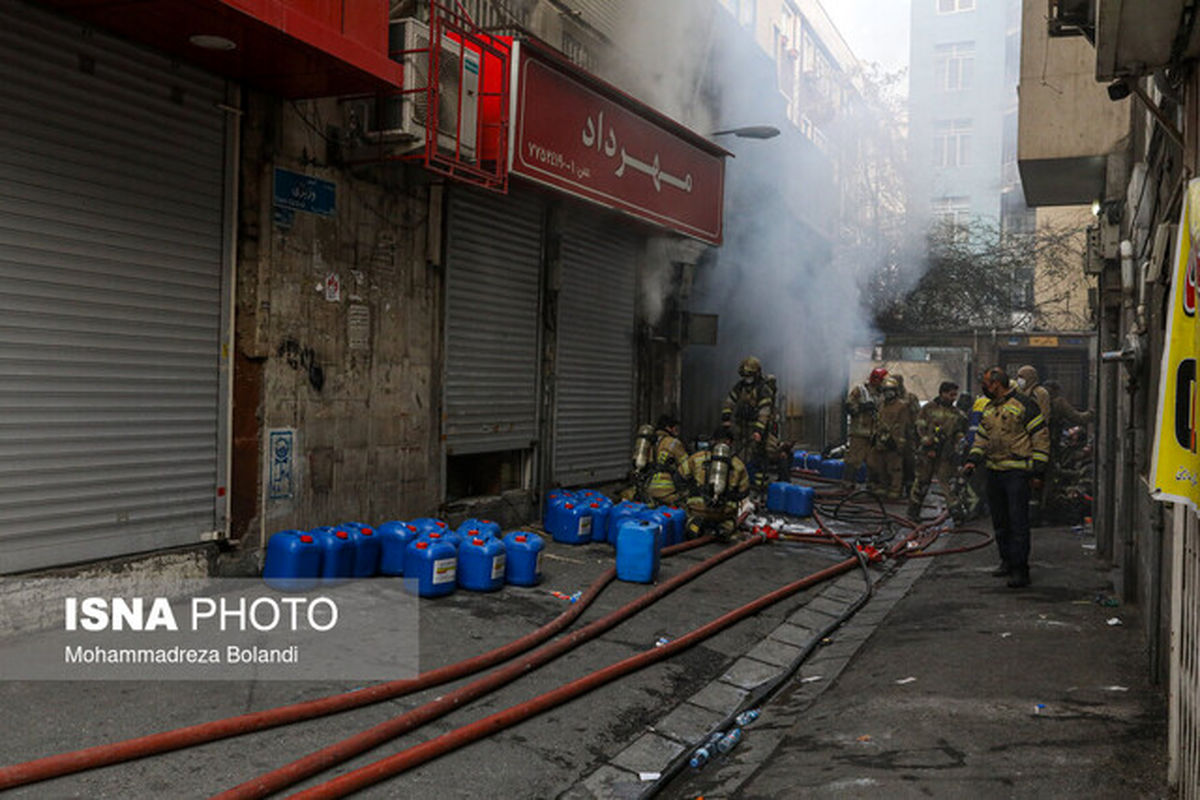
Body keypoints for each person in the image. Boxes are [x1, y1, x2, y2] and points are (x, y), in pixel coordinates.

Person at [962, 366, 1050, 588]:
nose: (984, 387)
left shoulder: (1024, 405)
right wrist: (973, 459)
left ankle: (1021, 570)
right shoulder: (990, 408)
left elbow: (1040, 437)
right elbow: (982, 437)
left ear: (997, 384)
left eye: (986, 383)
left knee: (1018, 521)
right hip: (994, 471)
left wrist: (1039, 471)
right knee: (1000, 521)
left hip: (1017, 473)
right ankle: (1007, 562)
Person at [907, 381, 967, 520]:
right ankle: (913, 512)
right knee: (922, 482)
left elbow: (959, 432)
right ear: (942, 393)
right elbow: (919, 427)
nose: (953, 398)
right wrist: (926, 442)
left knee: (947, 485)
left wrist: (959, 440)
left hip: (946, 455)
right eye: (951, 394)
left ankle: (957, 514)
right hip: (926, 454)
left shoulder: (958, 415)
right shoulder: (928, 409)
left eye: (955, 395)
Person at [680, 427, 750, 540]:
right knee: (730, 522)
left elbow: (679, 477)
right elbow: (744, 493)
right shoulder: (738, 465)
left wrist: (689, 493)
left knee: (690, 518)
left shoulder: (697, 458)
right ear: (729, 442)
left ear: (713, 440)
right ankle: (724, 529)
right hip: (723, 514)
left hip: (698, 510)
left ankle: (693, 525)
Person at [720, 356, 777, 492]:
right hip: (741, 425)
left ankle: (758, 487)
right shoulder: (740, 386)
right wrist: (726, 418)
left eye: (749, 375)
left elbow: (765, 411)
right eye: (744, 375)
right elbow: (730, 401)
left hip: (756, 427)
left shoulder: (763, 389)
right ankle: (740, 484)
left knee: (757, 456)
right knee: (740, 455)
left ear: (756, 373)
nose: (747, 378)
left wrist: (758, 431)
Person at [869, 376, 913, 499]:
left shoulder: (902, 406)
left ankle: (895, 489)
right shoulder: (881, 405)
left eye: (891, 390)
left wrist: (896, 441)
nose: (888, 393)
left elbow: (903, 425)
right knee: (880, 465)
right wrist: (875, 436)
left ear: (896, 391)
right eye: (886, 390)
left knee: (894, 468)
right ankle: (883, 487)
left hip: (894, 442)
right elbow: (877, 421)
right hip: (881, 441)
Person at [845, 367, 886, 488]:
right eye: (882, 380)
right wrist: (862, 407)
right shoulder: (860, 390)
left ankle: (872, 485)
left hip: (874, 434)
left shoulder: (883, 394)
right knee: (854, 460)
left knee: (873, 462)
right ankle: (848, 483)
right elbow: (848, 406)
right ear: (876, 380)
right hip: (859, 433)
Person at [645, 413, 689, 506]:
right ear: (668, 428)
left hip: (649, 487)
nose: (676, 431)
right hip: (667, 490)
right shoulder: (673, 442)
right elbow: (686, 465)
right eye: (674, 427)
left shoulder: (651, 441)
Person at [894, 374, 921, 497]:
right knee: (892, 462)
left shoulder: (910, 398)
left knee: (909, 462)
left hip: (908, 435)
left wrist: (918, 434)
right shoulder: (887, 399)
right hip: (892, 436)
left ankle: (909, 487)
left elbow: (917, 417)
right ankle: (895, 488)